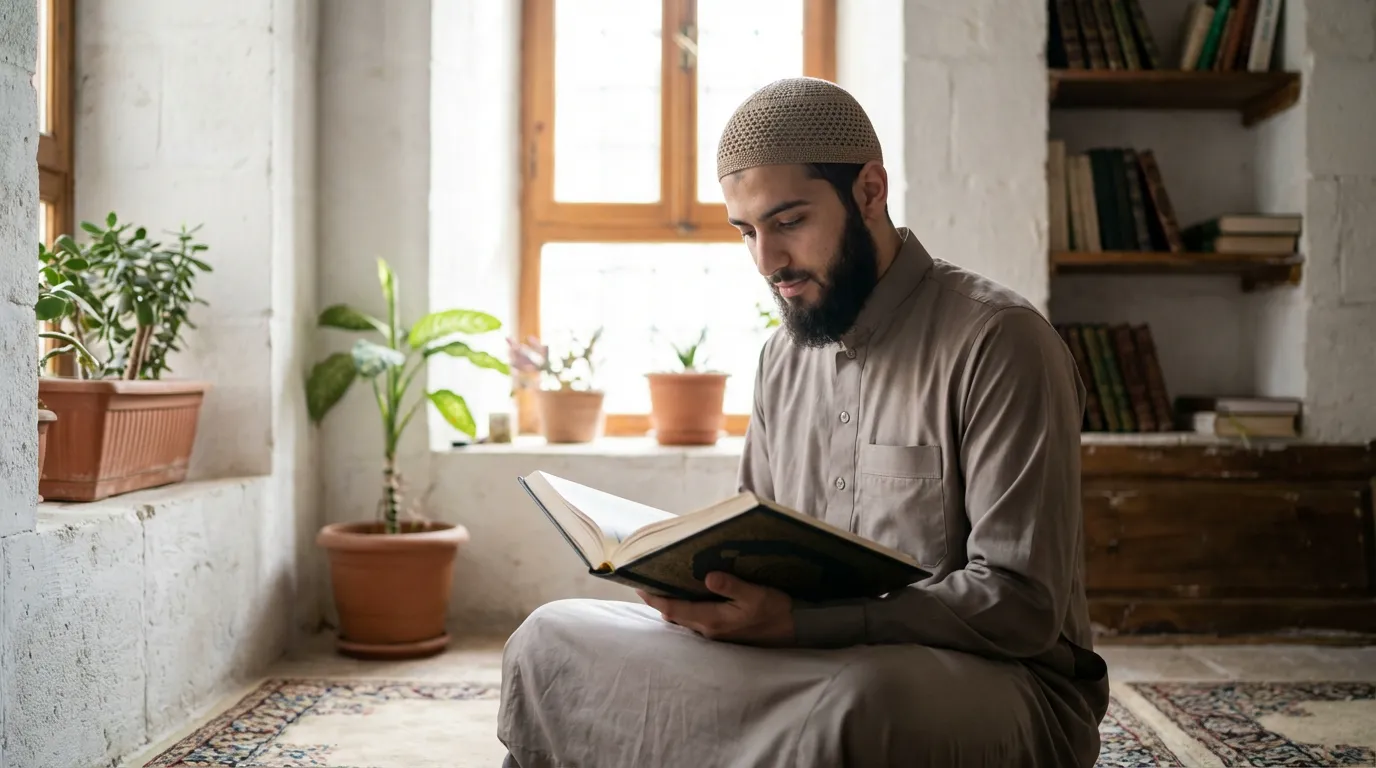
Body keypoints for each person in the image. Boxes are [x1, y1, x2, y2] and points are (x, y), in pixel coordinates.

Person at [498, 77, 1109, 767]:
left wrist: (806, 625)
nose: (767, 261)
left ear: (870, 191)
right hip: (801, 661)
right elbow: (759, 543)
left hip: (987, 680)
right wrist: (700, 590)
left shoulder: (1000, 341)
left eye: (788, 222)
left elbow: (1019, 605)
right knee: (551, 641)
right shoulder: (781, 357)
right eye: (747, 232)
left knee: (861, 706)